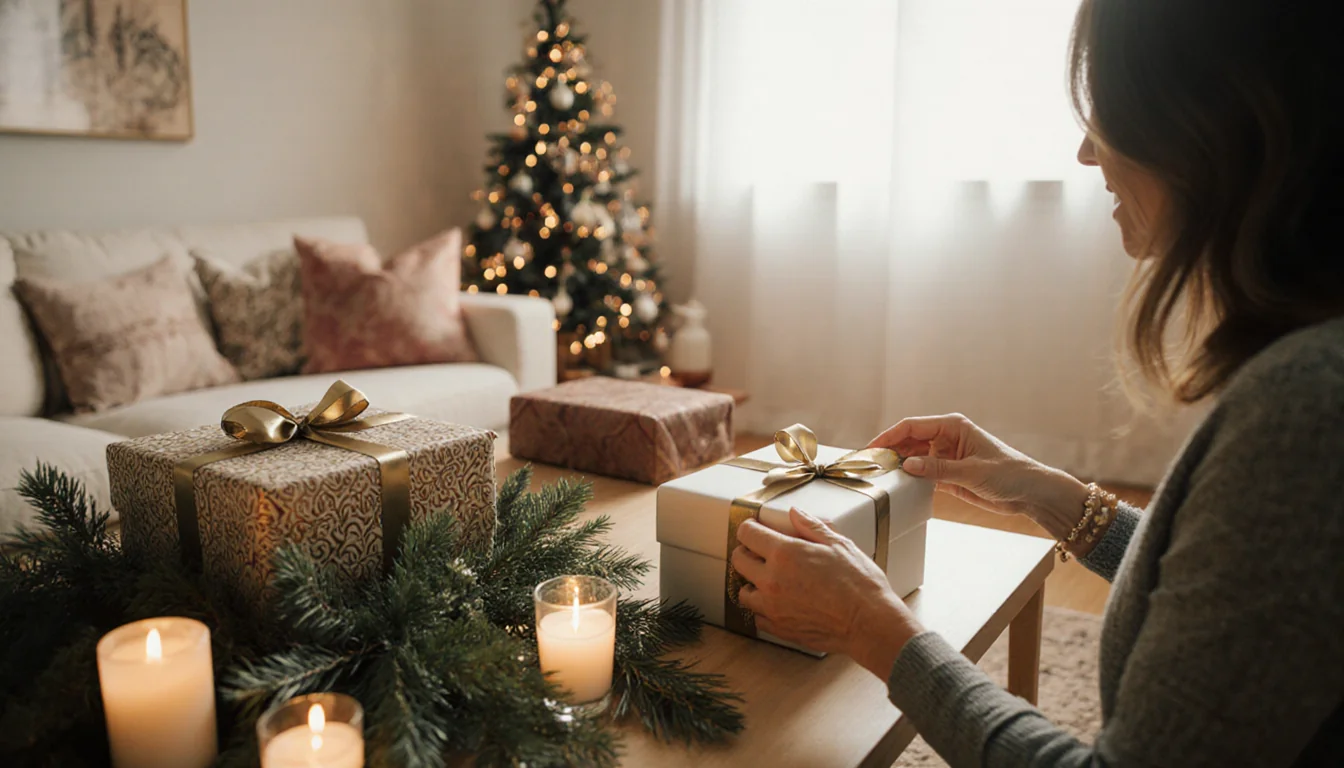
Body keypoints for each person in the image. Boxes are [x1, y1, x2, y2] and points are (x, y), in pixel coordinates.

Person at [729, 0, 1344, 765]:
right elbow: (1231, 593)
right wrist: (1047, 493)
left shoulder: (1308, 408)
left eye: (1108, 113)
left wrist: (874, 629)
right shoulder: (1311, 370)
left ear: (1207, 126)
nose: (1088, 154)